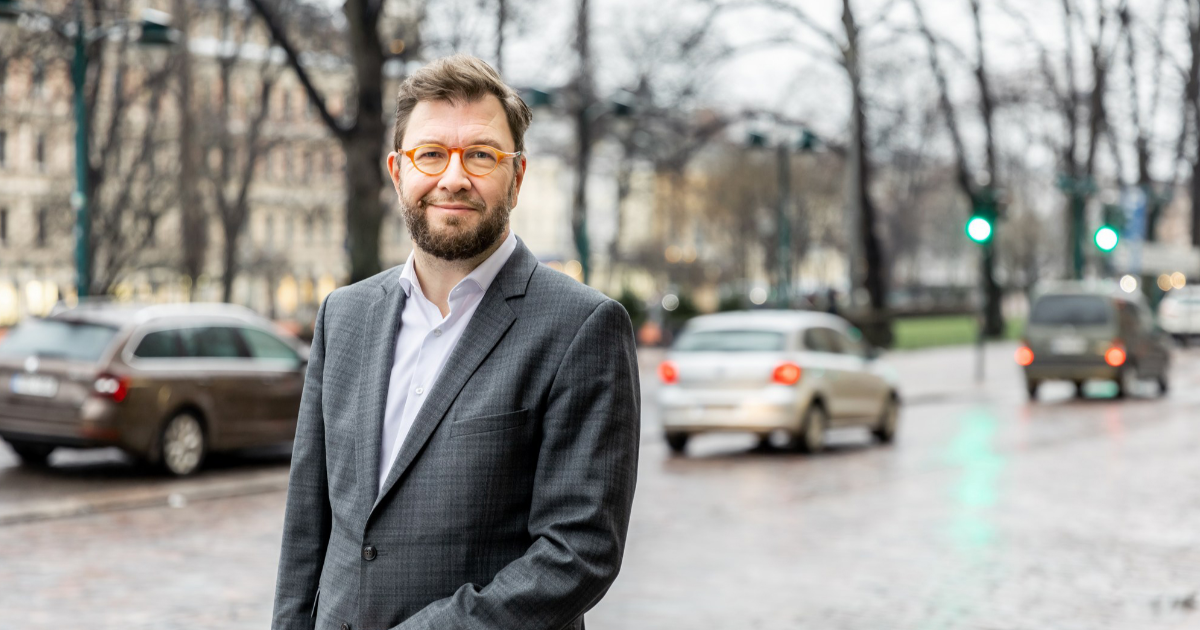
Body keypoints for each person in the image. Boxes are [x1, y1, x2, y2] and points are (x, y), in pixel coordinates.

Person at [271, 55, 641, 630]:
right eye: (432, 154)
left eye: (480, 155)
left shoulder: (582, 328)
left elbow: (579, 554)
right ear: (398, 171)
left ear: (516, 177)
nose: (453, 177)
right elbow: (306, 526)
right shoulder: (342, 316)